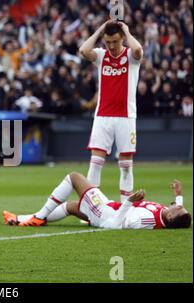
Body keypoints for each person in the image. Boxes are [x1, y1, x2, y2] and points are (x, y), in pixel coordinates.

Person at [79, 21, 143, 203]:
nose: (112, 46)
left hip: (126, 116)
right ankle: (92, 207)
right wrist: (100, 29)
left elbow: (138, 49)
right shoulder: (101, 55)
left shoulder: (131, 56)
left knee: (125, 165)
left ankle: (126, 208)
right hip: (103, 116)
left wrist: (127, 30)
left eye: (115, 41)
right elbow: (83, 50)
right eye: (108, 42)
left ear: (122, 38)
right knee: (95, 162)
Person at [3, 172, 191, 230]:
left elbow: (114, 225)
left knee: (74, 178)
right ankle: (20, 218)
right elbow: (178, 213)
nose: (177, 205)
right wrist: (178, 195)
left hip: (105, 213)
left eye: (178, 208)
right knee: (70, 207)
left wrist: (129, 201)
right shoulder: (167, 215)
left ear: (171, 216)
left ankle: (39, 217)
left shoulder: (144, 220)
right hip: (107, 208)